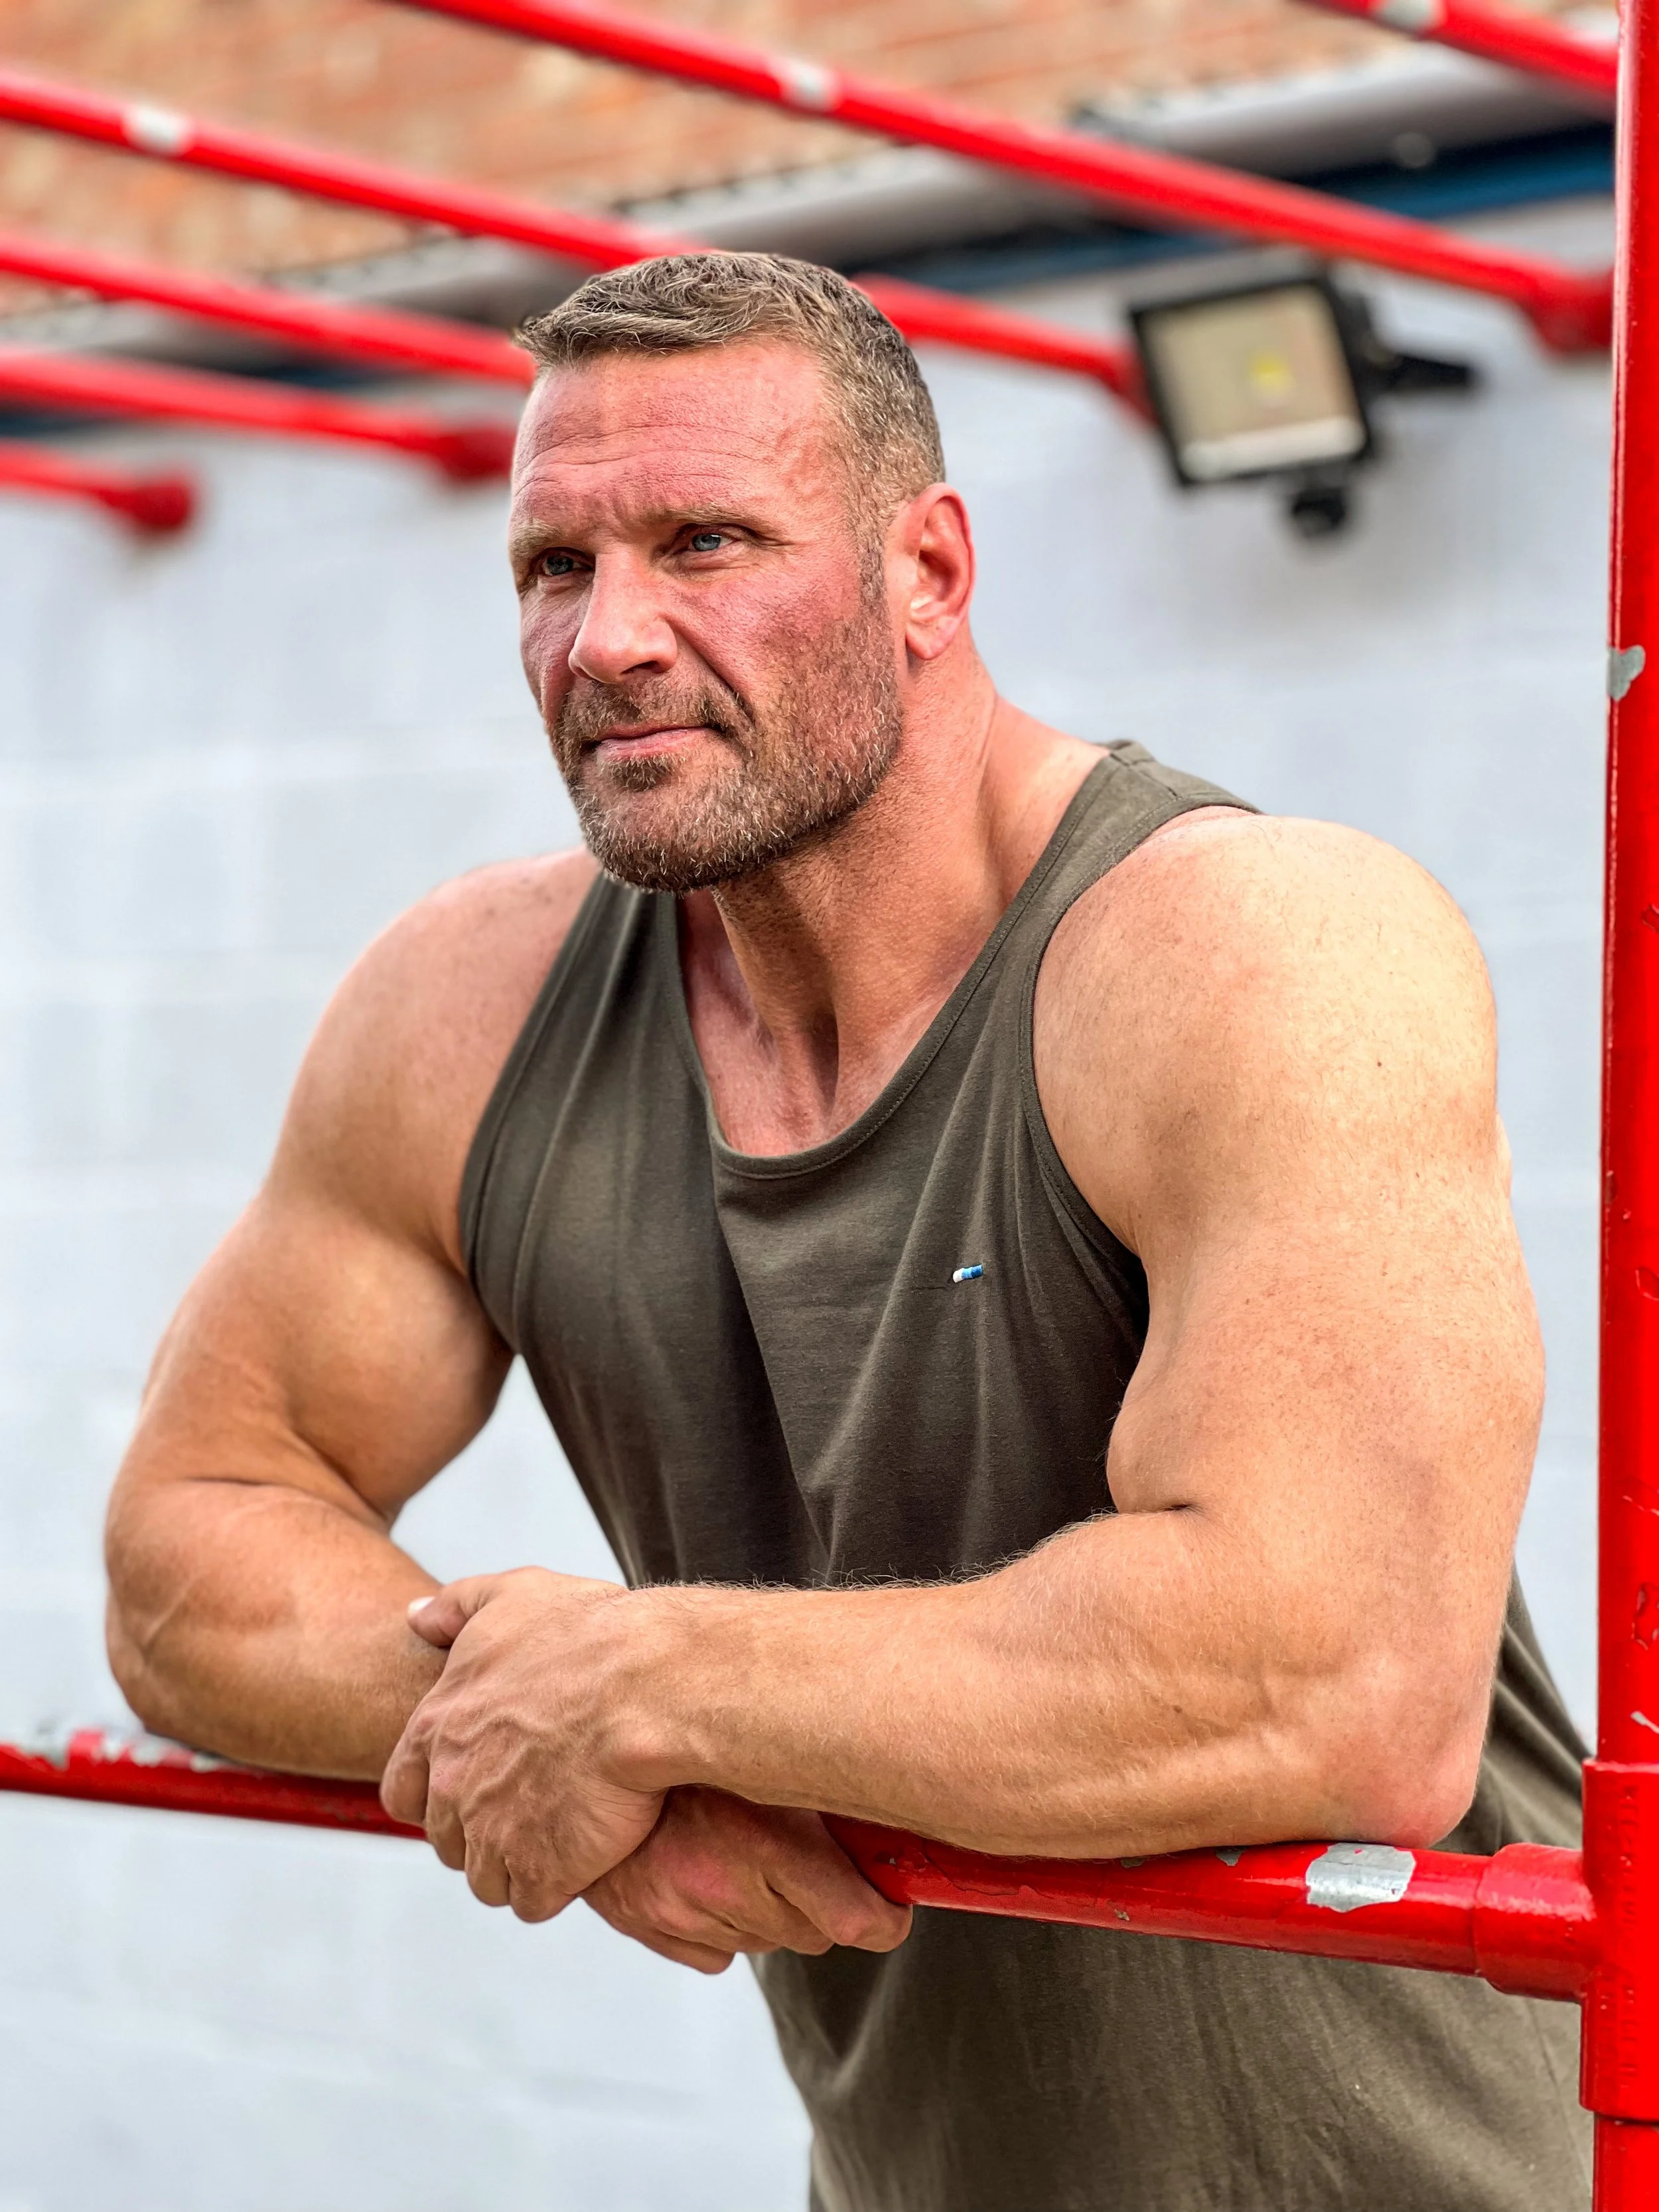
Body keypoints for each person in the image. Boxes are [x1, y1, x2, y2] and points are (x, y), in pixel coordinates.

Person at [104, 252, 1589, 2211]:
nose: (609, 638)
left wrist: (647, 1686)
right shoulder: (464, 1008)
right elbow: (183, 1556)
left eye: (704, 541)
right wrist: (538, 1735)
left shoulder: (1252, 945)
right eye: (552, 567)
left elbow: (1325, 1685)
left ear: (929, 576)